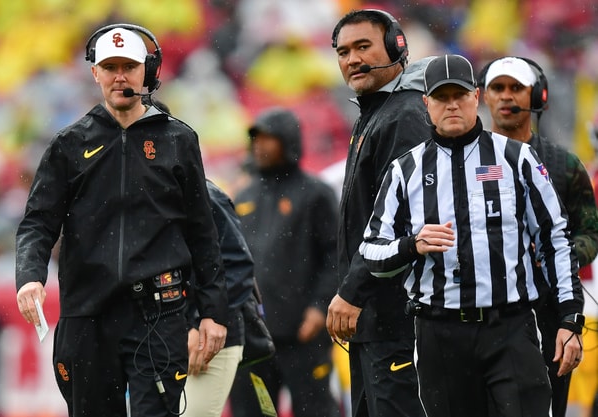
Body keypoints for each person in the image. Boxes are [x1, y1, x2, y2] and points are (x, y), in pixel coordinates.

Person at [14, 23, 228, 417]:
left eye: (128, 66)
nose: (119, 76)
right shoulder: (69, 144)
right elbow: (37, 222)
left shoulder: (178, 139)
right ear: (94, 72)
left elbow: (202, 231)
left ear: (146, 70)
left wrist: (213, 310)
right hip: (87, 313)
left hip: (159, 313)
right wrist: (30, 274)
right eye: (109, 66)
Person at [359, 53, 585, 417]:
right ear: (426, 103)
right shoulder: (405, 170)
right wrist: (411, 245)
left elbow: (554, 238)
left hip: (509, 327)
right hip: (439, 333)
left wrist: (570, 318)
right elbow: (371, 251)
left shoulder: (518, 158)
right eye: (441, 97)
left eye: (459, 95)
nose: (451, 105)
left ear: (475, 97)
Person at [478, 56, 598, 417]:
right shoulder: (460, 163)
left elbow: (590, 233)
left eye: (516, 87)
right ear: (483, 96)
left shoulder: (565, 165)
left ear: (538, 94)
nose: (506, 96)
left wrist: (553, 254)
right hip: (482, 317)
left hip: (547, 313)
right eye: (498, 88)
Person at [326, 9, 429, 417]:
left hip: (395, 318)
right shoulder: (377, 113)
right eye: (343, 51)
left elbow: (399, 222)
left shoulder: (403, 114)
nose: (351, 59)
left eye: (363, 46)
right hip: (375, 319)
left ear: (397, 47)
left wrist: (354, 292)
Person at [228, 107, 340, 417]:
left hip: (303, 333)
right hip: (253, 335)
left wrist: (319, 309)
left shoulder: (315, 193)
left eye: (268, 139)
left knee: (314, 410)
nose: (259, 146)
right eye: (256, 139)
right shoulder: (243, 195)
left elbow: (335, 255)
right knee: (252, 412)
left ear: (287, 141)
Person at [182, 179, 256, 417]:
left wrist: (198, 323)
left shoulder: (206, 195)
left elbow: (238, 268)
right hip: (162, 336)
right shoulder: (142, 190)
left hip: (211, 337)